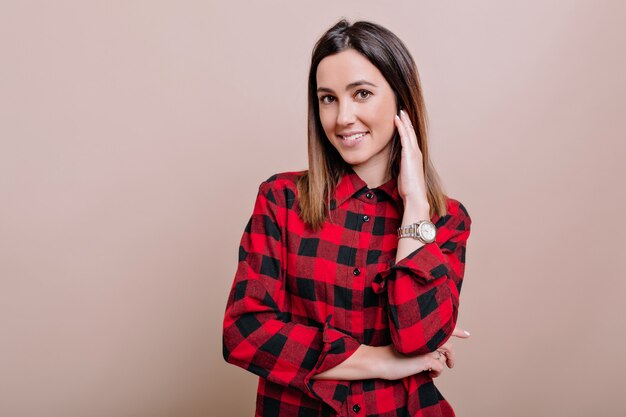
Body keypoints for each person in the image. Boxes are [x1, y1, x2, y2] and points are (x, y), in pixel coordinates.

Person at [222, 18, 473, 417]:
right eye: (328, 98)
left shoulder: (447, 220)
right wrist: (379, 360)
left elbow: (418, 339)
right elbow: (243, 333)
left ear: (400, 99)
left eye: (361, 93)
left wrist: (415, 206)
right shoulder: (281, 200)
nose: (342, 117)